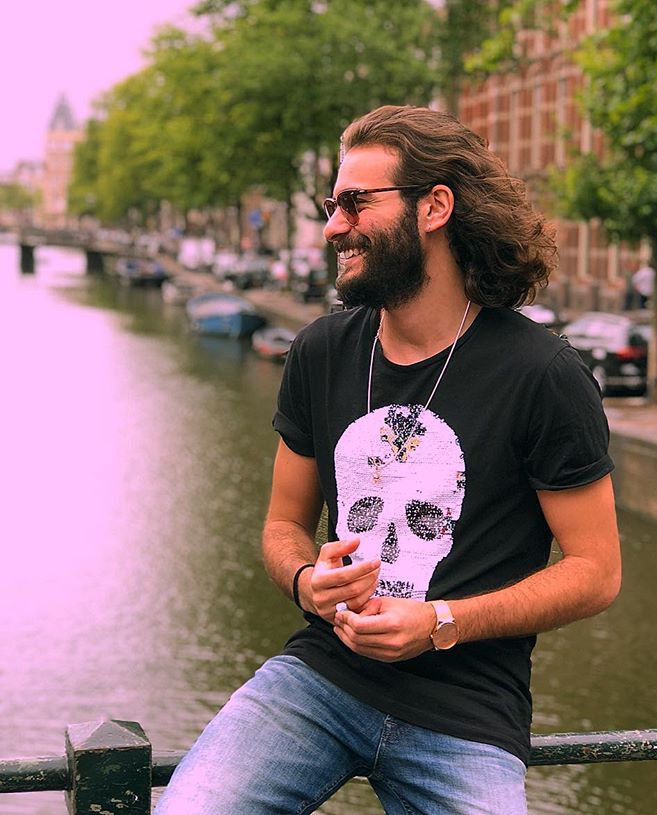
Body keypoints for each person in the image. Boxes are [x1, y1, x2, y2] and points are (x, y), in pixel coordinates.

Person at [155, 105, 621, 815]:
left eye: (355, 203)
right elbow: (282, 525)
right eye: (331, 206)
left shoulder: (544, 374)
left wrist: (441, 621)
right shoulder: (320, 351)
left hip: (467, 712)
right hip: (319, 682)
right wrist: (308, 581)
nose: (333, 227)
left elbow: (597, 572)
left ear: (434, 207)